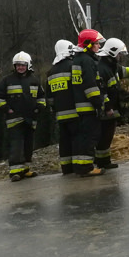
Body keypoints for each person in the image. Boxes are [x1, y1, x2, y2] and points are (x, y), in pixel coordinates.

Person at [0, 51, 46, 181]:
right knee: (16, 145)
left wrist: (39, 107)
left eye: (23, 65)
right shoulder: (7, 80)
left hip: (30, 119)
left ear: (28, 65)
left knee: (28, 145)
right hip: (14, 120)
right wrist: (7, 109)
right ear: (14, 66)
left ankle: (25, 169)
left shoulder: (34, 80)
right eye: (18, 65)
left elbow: (41, 96)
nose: (20, 67)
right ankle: (15, 171)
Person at [69, 29, 106, 177]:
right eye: (96, 43)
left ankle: (80, 166)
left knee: (82, 137)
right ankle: (87, 168)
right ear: (88, 45)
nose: (98, 46)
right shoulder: (87, 61)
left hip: (80, 105)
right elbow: (91, 86)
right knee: (90, 137)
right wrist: (98, 104)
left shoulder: (77, 60)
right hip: (89, 105)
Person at [95, 37, 128, 169]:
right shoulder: (103, 69)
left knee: (108, 136)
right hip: (106, 109)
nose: (120, 56)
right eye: (119, 54)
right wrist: (108, 107)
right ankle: (102, 162)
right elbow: (102, 91)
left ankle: (105, 161)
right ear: (113, 53)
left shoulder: (111, 67)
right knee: (104, 136)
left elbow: (125, 71)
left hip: (111, 108)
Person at [47, 39, 79, 175]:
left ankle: (66, 167)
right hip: (76, 112)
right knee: (77, 139)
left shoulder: (51, 72)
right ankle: (79, 166)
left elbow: (49, 98)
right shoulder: (73, 66)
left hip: (60, 114)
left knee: (64, 141)